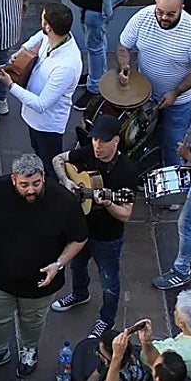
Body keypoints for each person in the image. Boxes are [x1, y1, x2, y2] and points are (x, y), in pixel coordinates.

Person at [0, 154, 89, 380]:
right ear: (14, 180)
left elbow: (79, 238)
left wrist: (59, 264)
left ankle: (29, 350)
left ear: (43, 177)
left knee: (33, 321)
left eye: (36, 183)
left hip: (40, 281)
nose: (31, 190)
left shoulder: (63, 201)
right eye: (24, 185)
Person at [49, 115, 138, 337]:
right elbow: (58, 160)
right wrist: (66, 181)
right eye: (95, 139)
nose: (97, 145)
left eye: (103, 141)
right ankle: (80, 295)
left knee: (109, 280)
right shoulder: (89, 151)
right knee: (76, 266)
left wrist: (108, 203)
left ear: (116, 141)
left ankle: (106, 320)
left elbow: (126, 214)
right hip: (81, 228)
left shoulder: (126, 171)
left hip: (107, 237)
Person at [117, 0, 191, 171]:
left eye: (170, 14)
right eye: (160, 12)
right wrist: (124, 67)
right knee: (141, 139)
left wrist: (176, 93)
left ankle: (171, 187)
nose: (164, 18)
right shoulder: (142, 18)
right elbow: (123, 46)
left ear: (182, 8)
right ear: (155, 3)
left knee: (172, 145)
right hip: (145, 95)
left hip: (179, 101)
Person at [0, 2, 84, 172]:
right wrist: (22, 51)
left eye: (43, 19)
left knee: (51, 167)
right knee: (38, 153)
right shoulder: (57, 37)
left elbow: (41, 104)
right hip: (33, 119)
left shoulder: (66, 66)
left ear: (49, 27)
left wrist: (10, 84)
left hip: (47, 126)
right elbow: (39, 37)